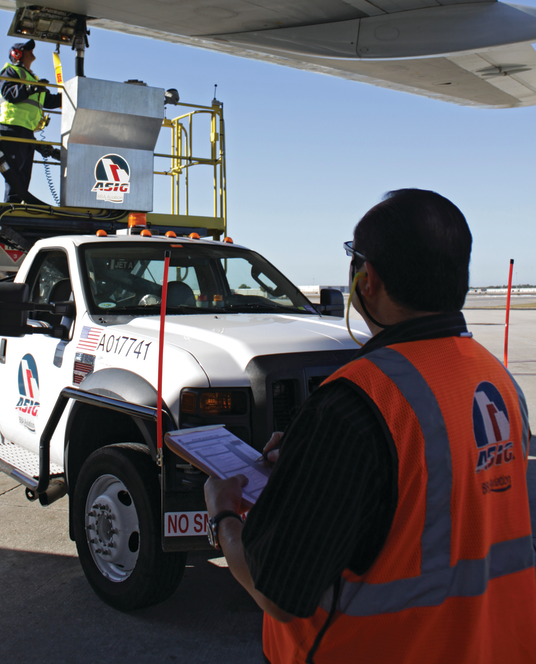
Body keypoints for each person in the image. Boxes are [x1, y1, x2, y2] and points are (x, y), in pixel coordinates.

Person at [204, 189, 536, 663]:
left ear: (368, 279)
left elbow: (275, 592)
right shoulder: (498, 381)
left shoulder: (354, 404)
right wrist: (310, 464)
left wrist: (223, 516)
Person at [0, 39, 62, 203]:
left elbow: (47, 101)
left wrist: (67, 96)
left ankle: (17, 206)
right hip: (12, 128)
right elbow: (9, 93)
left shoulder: (32, 78)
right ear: (17, 54)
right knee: (15, 176)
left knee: (24, 176)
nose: (32, 51)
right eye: (27, 49)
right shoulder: (10, 71)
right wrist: (31, 88)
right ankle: (11, 208)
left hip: (26, 131)